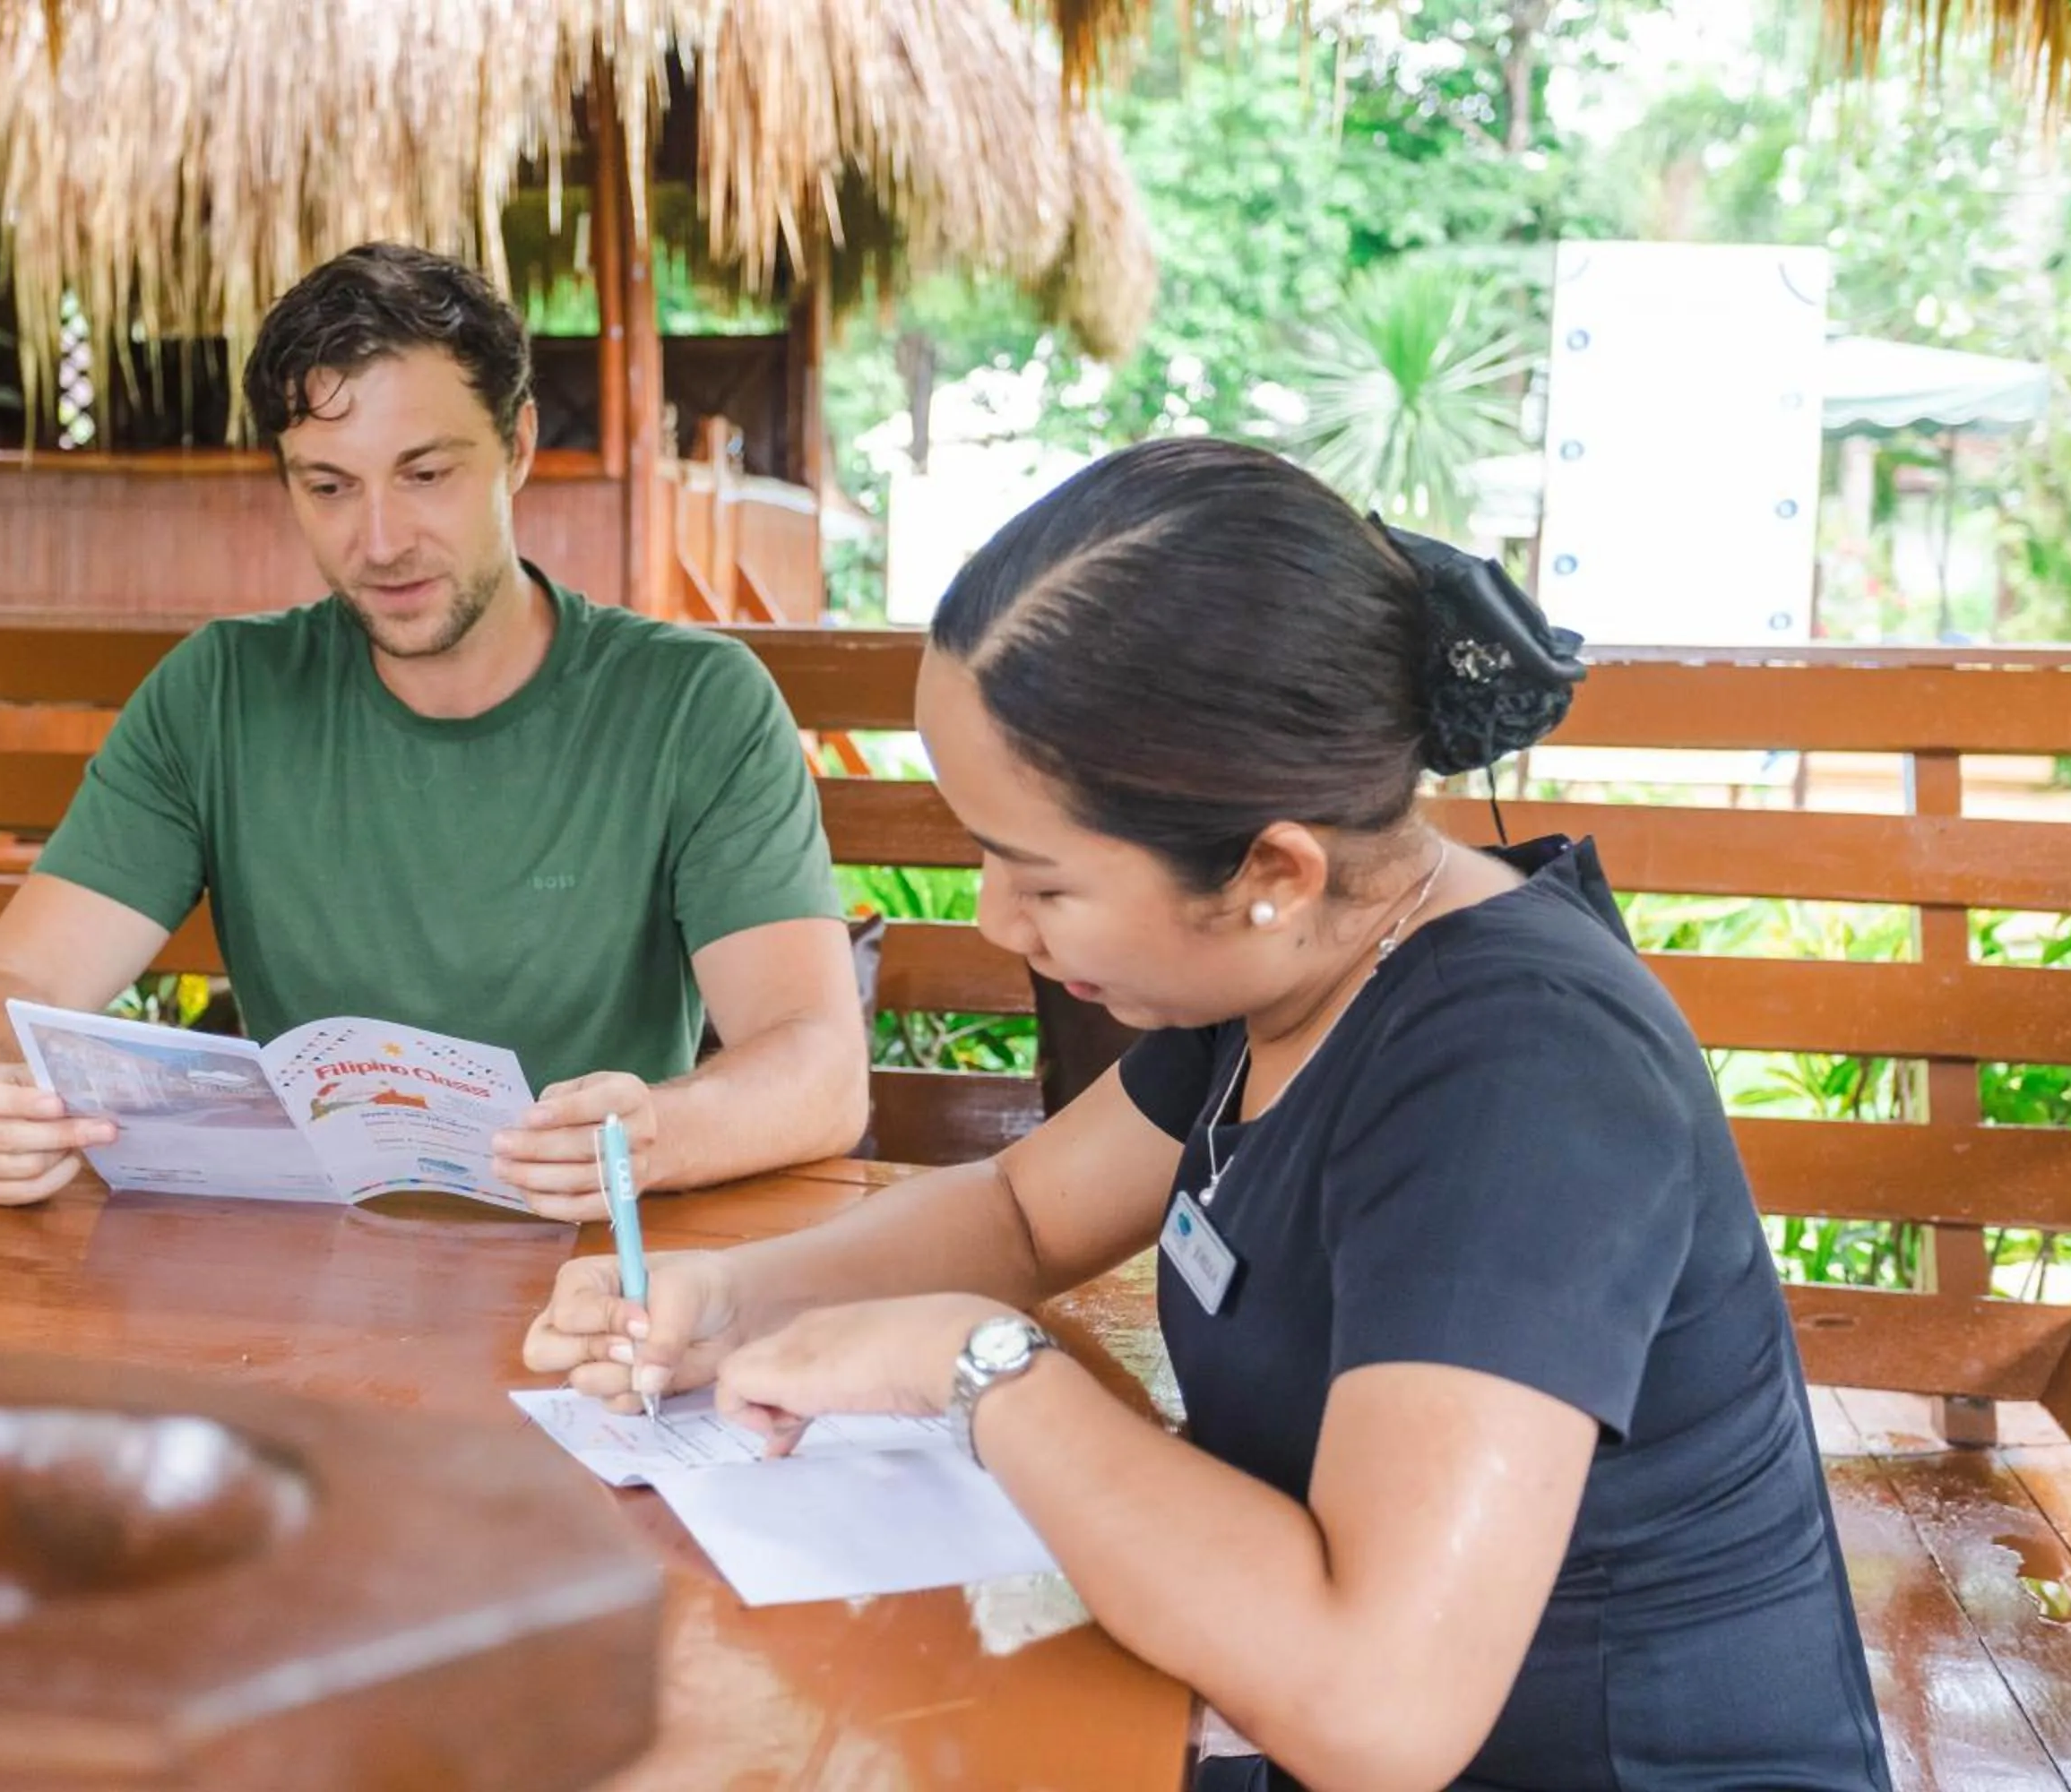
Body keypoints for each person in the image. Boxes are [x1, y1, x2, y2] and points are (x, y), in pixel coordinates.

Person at [525, 439, 1892, 1790]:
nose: (999, 921)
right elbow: (1018, 1211)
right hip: (1272, 1699)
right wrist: (731, 1303)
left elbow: (1380, 1710)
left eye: (1041, 880)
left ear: (1273, 870)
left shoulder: (1522, 1079)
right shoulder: (1293, 966)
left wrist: (977, 1368)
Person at [0, 244, 868, 1218]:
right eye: (329, 487)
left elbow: (821, 1065)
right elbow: (3, 985)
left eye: (425, 474)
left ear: (519, 447)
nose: (378, 542)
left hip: (588, 1277)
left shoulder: (692, 705)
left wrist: (645, 1138)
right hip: (307, 1273)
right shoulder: (220, 694)